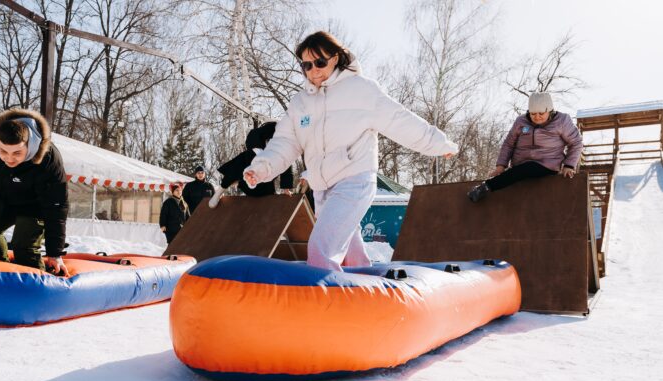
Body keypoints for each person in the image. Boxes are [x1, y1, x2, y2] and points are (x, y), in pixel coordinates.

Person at [243, 31, 457, 272]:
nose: (314, 70)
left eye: (320, 62)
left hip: (355, 180)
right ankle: (367, 289)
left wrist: (438, 143)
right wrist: (261, 168)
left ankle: (325, 301)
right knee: (349, 254)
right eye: (307, 65)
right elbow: (284, 142)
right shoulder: (300, 103)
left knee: (321, 249)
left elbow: (400, 121)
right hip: (322, 188)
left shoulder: (361, 90)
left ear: (335, 58)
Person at [0, 108, 69, 276]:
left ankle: (37, 289)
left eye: (17, 153)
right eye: (3, 151)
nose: (9, 158)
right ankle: (0, 274)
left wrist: (55, 253)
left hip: (35, 204)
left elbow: (57, 206)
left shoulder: (49, 160)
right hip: (4, 194)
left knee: (23, 246)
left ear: (30, 145)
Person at [467, 92, 583, 202]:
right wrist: (501, 166)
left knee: (529, 167)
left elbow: (576, 142)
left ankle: (486, 187)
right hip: (520, 166)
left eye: (541, 113)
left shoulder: (562, 121)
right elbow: (508, 144)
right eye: (533, 114)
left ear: (550, 110)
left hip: (547, 164)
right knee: (523, 170)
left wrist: (569, 165)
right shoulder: (521, 121)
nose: (537, 117)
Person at [209, 121, 294, 208]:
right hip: (252, 160)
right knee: (238, 165)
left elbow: (286, 164)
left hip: (265, 181)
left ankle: (247, 185)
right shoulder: (267, 131)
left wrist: (286, 188)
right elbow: (253, 134)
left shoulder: (284, 145)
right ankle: (219, 192)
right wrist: (258, 152)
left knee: (276, 168)